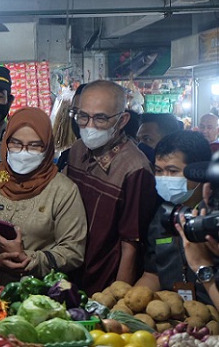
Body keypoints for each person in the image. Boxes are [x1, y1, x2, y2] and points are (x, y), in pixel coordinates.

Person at [0, 108, 87, 288]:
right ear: (5, 142)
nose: (24, 152)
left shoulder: (63, 190)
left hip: (38, 295)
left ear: (48, 146)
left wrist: (29, 260)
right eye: (16, 143)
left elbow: (73, 249)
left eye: (35, 145)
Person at [65, 80, 157, 295]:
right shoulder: (78, 150)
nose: (89, 126)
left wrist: (117, 298)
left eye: (100, 118)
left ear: (122, 119)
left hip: (104, 284)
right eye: (83, 116)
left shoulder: (135, 169)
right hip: (70, 275)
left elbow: (131, 244)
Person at [136, 130, 216, 303]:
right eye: (159, 170)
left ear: (198, 171)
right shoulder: (162, 215)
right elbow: (152, 273)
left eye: (172, 171)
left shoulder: (216, 218)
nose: (165, 178)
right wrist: (127, 302)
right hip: (173, 315)